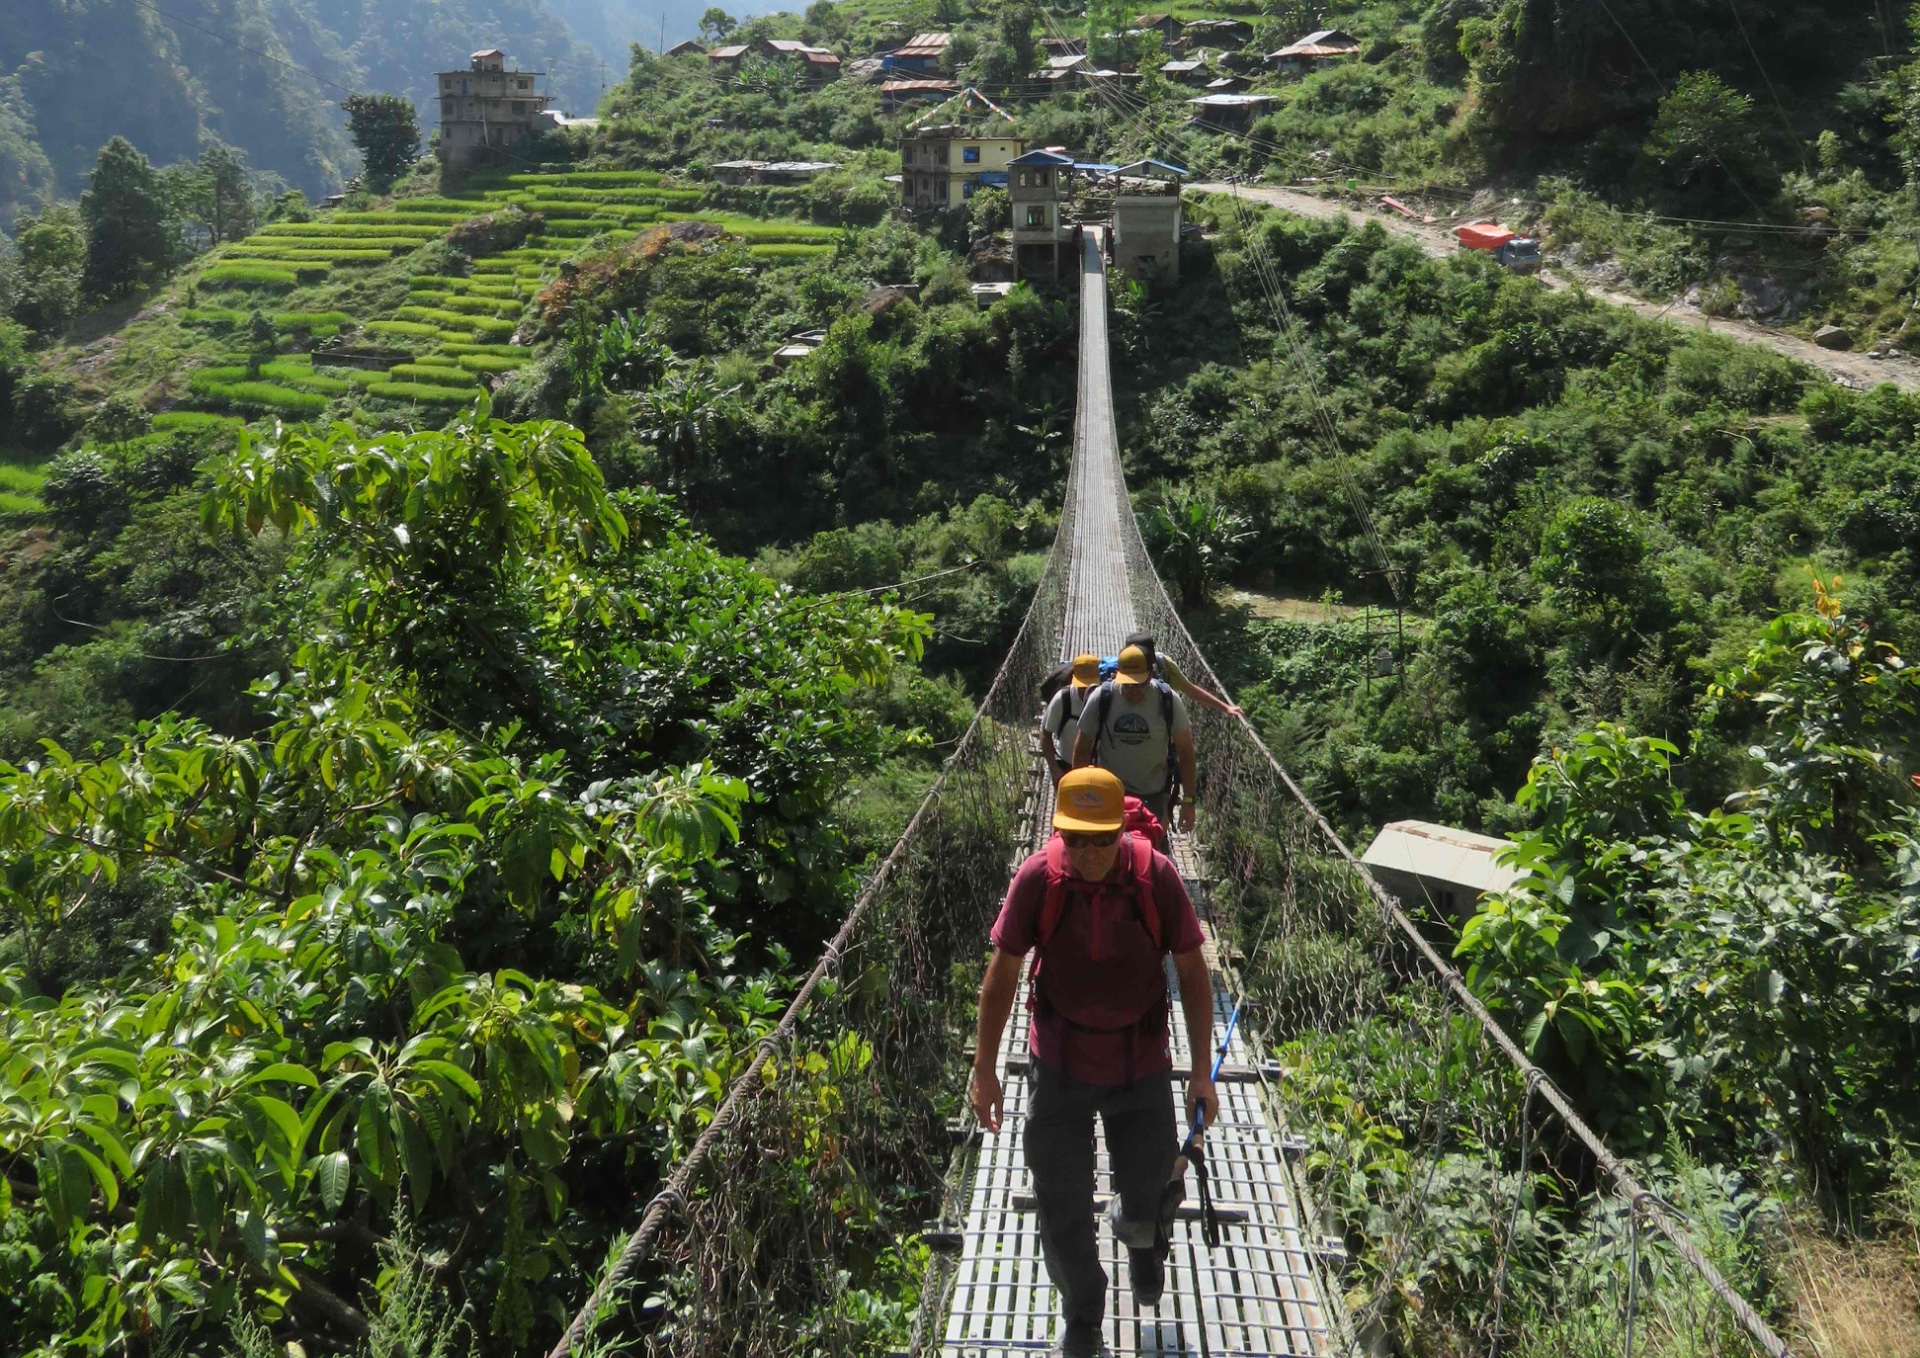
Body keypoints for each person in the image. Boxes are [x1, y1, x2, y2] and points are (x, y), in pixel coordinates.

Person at [970, 768, 1219, 1358]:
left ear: (1119, 833)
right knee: (1061, 1206)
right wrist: (984, 1069)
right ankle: (1083, 1317)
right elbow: (1003, 972)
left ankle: (1142, 1239)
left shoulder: (1156, 875)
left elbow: (1192, 971)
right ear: (1058, 831)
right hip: (1058, 1065)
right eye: (1075, 838)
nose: (1088, 852)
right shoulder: (1039, 876)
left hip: (1141, 1067)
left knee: (1150, 1189)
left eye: (1100, 838)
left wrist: (1202, 1071)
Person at [1072, 645, 1197, 832]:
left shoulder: (1168, 700)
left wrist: (1188, 801)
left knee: (1148, 851)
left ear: (1150, 676)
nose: (1133, 691)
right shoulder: (1102, 697)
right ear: (1116, 675)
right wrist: (1079, 799)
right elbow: (1082, 749)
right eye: (1128, 684)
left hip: (1151, 793)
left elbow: (1186, 752)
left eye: (1139, 684)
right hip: (1108, 792)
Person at [1123, 631, 1243, 719]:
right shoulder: (1118, 670)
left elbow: (1191, 690)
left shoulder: (1164, 666)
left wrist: (1226, 707)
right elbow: (1191, 690)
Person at [1042, 654, 1102, 786]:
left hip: (1097, 769)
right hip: (1065, 767)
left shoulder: (1105, 698)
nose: (1085, 690)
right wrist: (1054, 769)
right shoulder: (1062, 699)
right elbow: (1045, 735)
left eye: (1090, 685)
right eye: (1082, 685)